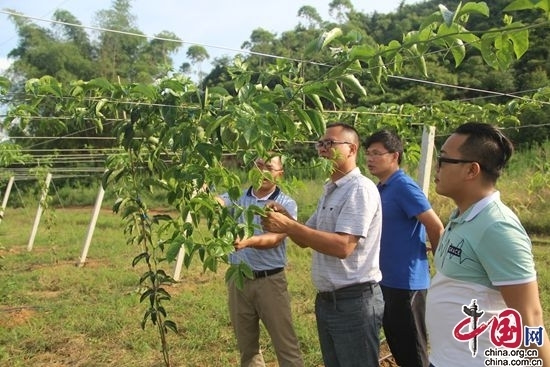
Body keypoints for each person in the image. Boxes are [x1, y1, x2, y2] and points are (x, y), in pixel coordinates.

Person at [426, 122, 550, 367]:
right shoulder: (462, 216)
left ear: (472, 170)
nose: (436, 168)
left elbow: (530, 317)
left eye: (443, 160)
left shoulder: (497, 228)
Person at [261, 122, 384, 367]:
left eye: (330, 143)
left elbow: (343, 247)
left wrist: (289, 226)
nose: (323, 149)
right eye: (321, 144)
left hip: (354, 301)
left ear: (352, 149)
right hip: (329, 301)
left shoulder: (359, 189)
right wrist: (289, 220)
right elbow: (306, 238)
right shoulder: (330, 190)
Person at [364, 129, 444, 367]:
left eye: (377, 153)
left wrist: (442, 267)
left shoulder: (403, 186)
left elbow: (435, 225)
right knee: (398, 346)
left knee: (413, 352)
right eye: (368, 153)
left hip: (407, 284)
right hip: (386, 280)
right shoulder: (381, 187)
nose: (370, 159)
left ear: (394, 156)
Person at [218, 155, 304, 367]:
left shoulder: (285, 203)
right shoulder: (237, 196)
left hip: (270, 282)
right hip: (239, 281)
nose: (262, 171)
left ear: (279, 174)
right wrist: (201, 196)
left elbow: (275, 239)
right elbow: (219, 202)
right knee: (247, 348)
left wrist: (247, 242)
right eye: (258, 165)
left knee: (285, 345)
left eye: (269, 167)